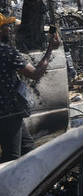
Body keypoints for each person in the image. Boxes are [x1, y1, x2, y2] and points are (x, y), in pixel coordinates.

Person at [0, 13, 60, 162]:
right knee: (11, 158)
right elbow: (36, 73)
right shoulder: (6, 53)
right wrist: (50, 49)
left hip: (11, 113)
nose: (9, 30)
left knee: (28, 149)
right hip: (8, 114)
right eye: (6, 26)